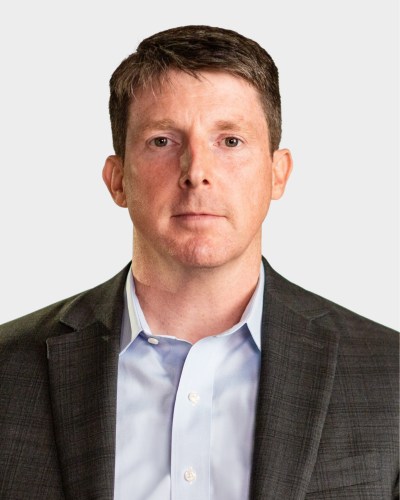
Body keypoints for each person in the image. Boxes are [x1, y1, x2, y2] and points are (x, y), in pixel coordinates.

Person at [0, 25, 398, 500]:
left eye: (229, 141)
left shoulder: (389, 374)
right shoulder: (10, 370)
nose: (197, 173)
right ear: (117, 179)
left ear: (278, 173)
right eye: (162, 141)